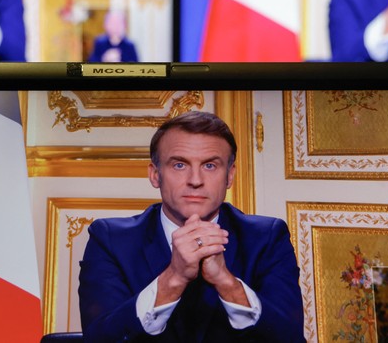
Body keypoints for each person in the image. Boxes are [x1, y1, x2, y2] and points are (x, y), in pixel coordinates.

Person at [78, 111, 305, 342]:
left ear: (230, 176)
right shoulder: (109, 240)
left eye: (209, 165)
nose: (195, 180)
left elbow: (291, 338)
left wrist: (227, 283)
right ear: (155, 174)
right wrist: (174, 277)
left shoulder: (267, 238)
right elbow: (99, 338)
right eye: (179, 165)